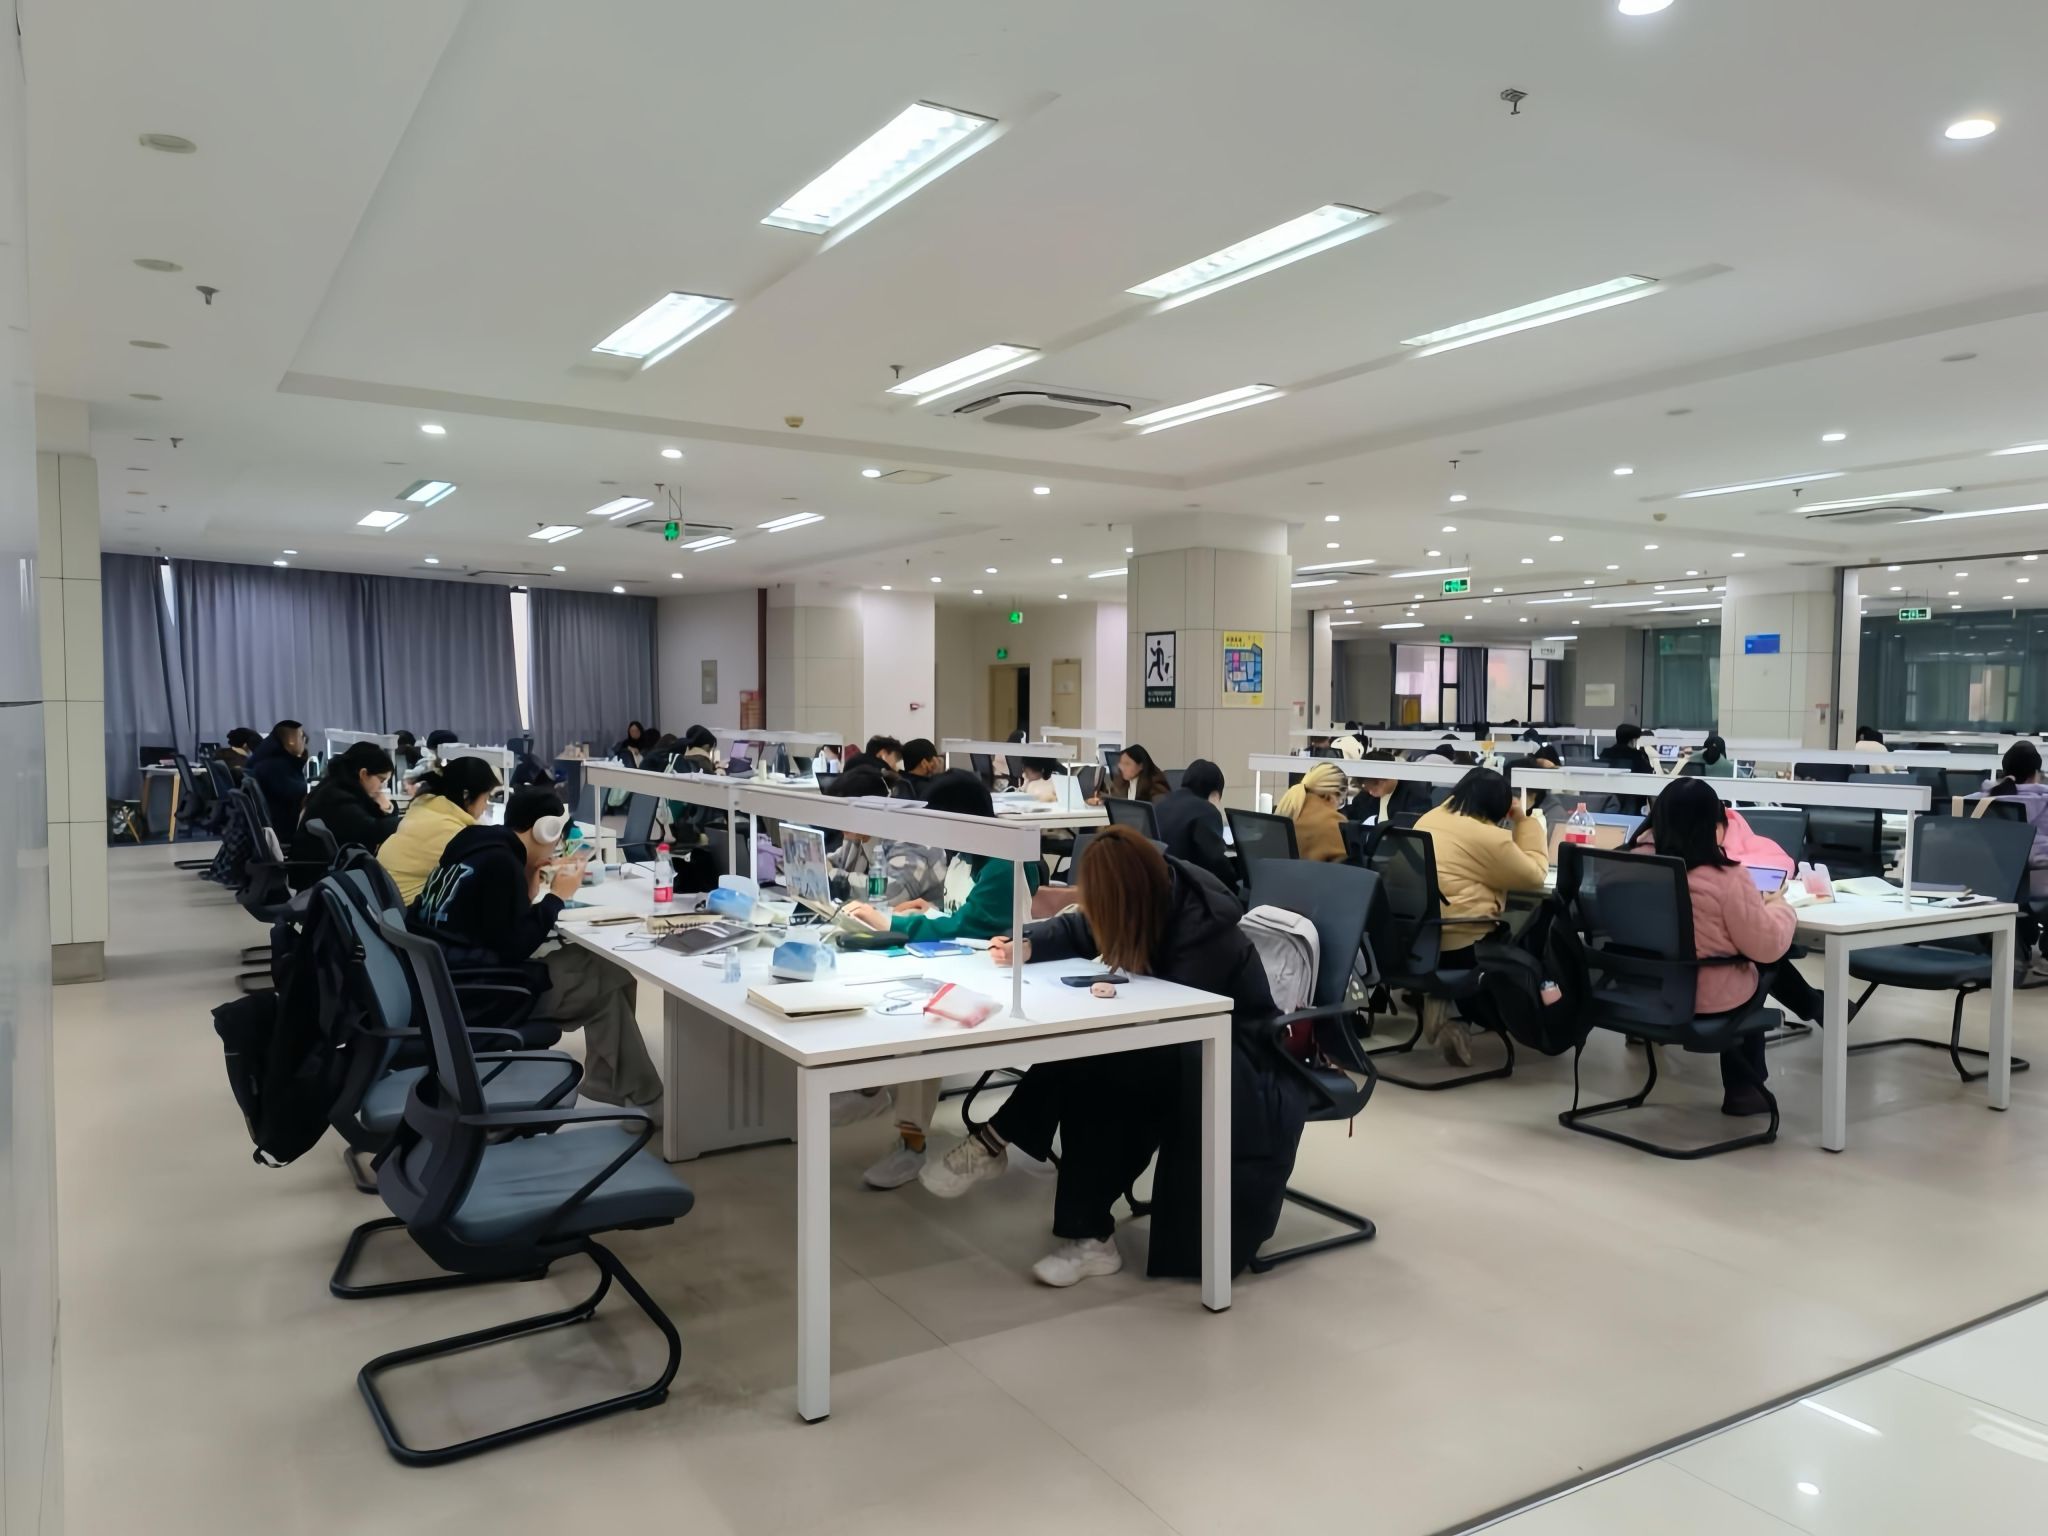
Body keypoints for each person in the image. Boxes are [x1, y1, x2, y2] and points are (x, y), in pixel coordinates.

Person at [920, 827, 1296, 1286]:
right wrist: (1031, 943)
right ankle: (1056, 1203)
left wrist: (1116, 993)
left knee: (1106, 1072)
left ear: (1127, 896)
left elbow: (1174, 1013)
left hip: (1236, 1060)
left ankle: (1007, 1152)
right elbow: (1085, 926)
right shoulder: (1154, 895)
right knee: (1089, 1061)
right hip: (1179, 1045)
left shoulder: (1205, 932)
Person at [840, 771, 1043, 1190]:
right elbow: (958, 915)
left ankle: (911, 1144)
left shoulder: (1003, 864)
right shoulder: (968, 854)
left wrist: (892, 922)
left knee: (922, 1022)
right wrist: (927, 909)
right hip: (963, 964)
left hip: (1001, 980)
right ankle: (871, 1090)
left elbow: (969, 926)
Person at [410, 786, 663, 1119]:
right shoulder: (501, 862)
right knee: (607, 982)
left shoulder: (475, 847)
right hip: (479, 992)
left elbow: (499, 919)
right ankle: (641, 1096)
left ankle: (622, 1089)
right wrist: (556, 897)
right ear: (546, 829)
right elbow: (515, 946)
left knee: (603, 970)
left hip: (447, 977)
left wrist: (529, 875)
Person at [1622, 777, 1823, 1116]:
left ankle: (1816, 1005)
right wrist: (1777, 906)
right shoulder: (1726, 878)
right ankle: (1745, 1089)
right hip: (1702, 999)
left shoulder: (1627, 863)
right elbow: (1768, 947)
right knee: (1755, 965)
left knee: (1735, 954)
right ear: (1713, 826)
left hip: (1635, 991)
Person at [1412, 767, 1548, 1064]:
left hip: (1420, 940)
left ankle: (1448, 1008)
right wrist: (1525, 821)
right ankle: (1517, 1018)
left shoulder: (1428, 819)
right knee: (1532, 931)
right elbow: (1535, 875)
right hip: (1463, 943)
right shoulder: (1490, 837)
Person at [377, 755, 502, 904]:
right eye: (486, 798)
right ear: (466, 795)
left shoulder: (426, 810)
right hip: (406, 910)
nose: (486, 806)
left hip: (385, 903)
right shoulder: (452, 831)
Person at [288, 741, 404, 887]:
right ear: (363, 774)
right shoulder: (337, 798)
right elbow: (373, 830)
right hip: (320, 879)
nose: (383, 787)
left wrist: (388, 808)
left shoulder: (338, 786)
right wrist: (405, 820)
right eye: (381, 780)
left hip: (325, 873)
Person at [1971, 739, 2048, 897]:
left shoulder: (1974, 802)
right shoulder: (2044, 802)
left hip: (1983, 883)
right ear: (2036, 773)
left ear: (2005, 771)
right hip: (2037, 885)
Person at [1151, 757, 1238, 890]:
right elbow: (1217, 863)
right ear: (1215, 793)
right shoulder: (1207, 811)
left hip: (1160, 883)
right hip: (1187, 889)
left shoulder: (1163, 802)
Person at [245, 719, 310, 833]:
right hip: (285, 830)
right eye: (301, 736)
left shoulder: (266, 761)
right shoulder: (276, 768)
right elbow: (297, 796)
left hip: (274, 827)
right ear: (290, 741)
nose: (304, 740)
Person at [1276, 761, 1348, 862]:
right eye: (1341, 802)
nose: (1337, 808)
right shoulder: (1335, 823)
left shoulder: (1288, 807)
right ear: (1332, 795)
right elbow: (1347, 867)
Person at [1346, 748, 1431, 825]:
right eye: (1367, 788)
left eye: (1374, 786)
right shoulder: (1366, 795)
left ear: (1387, 777)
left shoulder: (1414, 794)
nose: (1370, 792)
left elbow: (1414, 824)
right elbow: (1352, 814)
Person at [1096, 744, 1170, 803]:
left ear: (1141, 766)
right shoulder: (1122, 781)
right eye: (1121, 763)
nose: (1122, 768)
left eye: (1127, 764)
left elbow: (1158, 810)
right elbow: (1114, 798)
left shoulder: (1156, 786)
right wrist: (1100, 798)